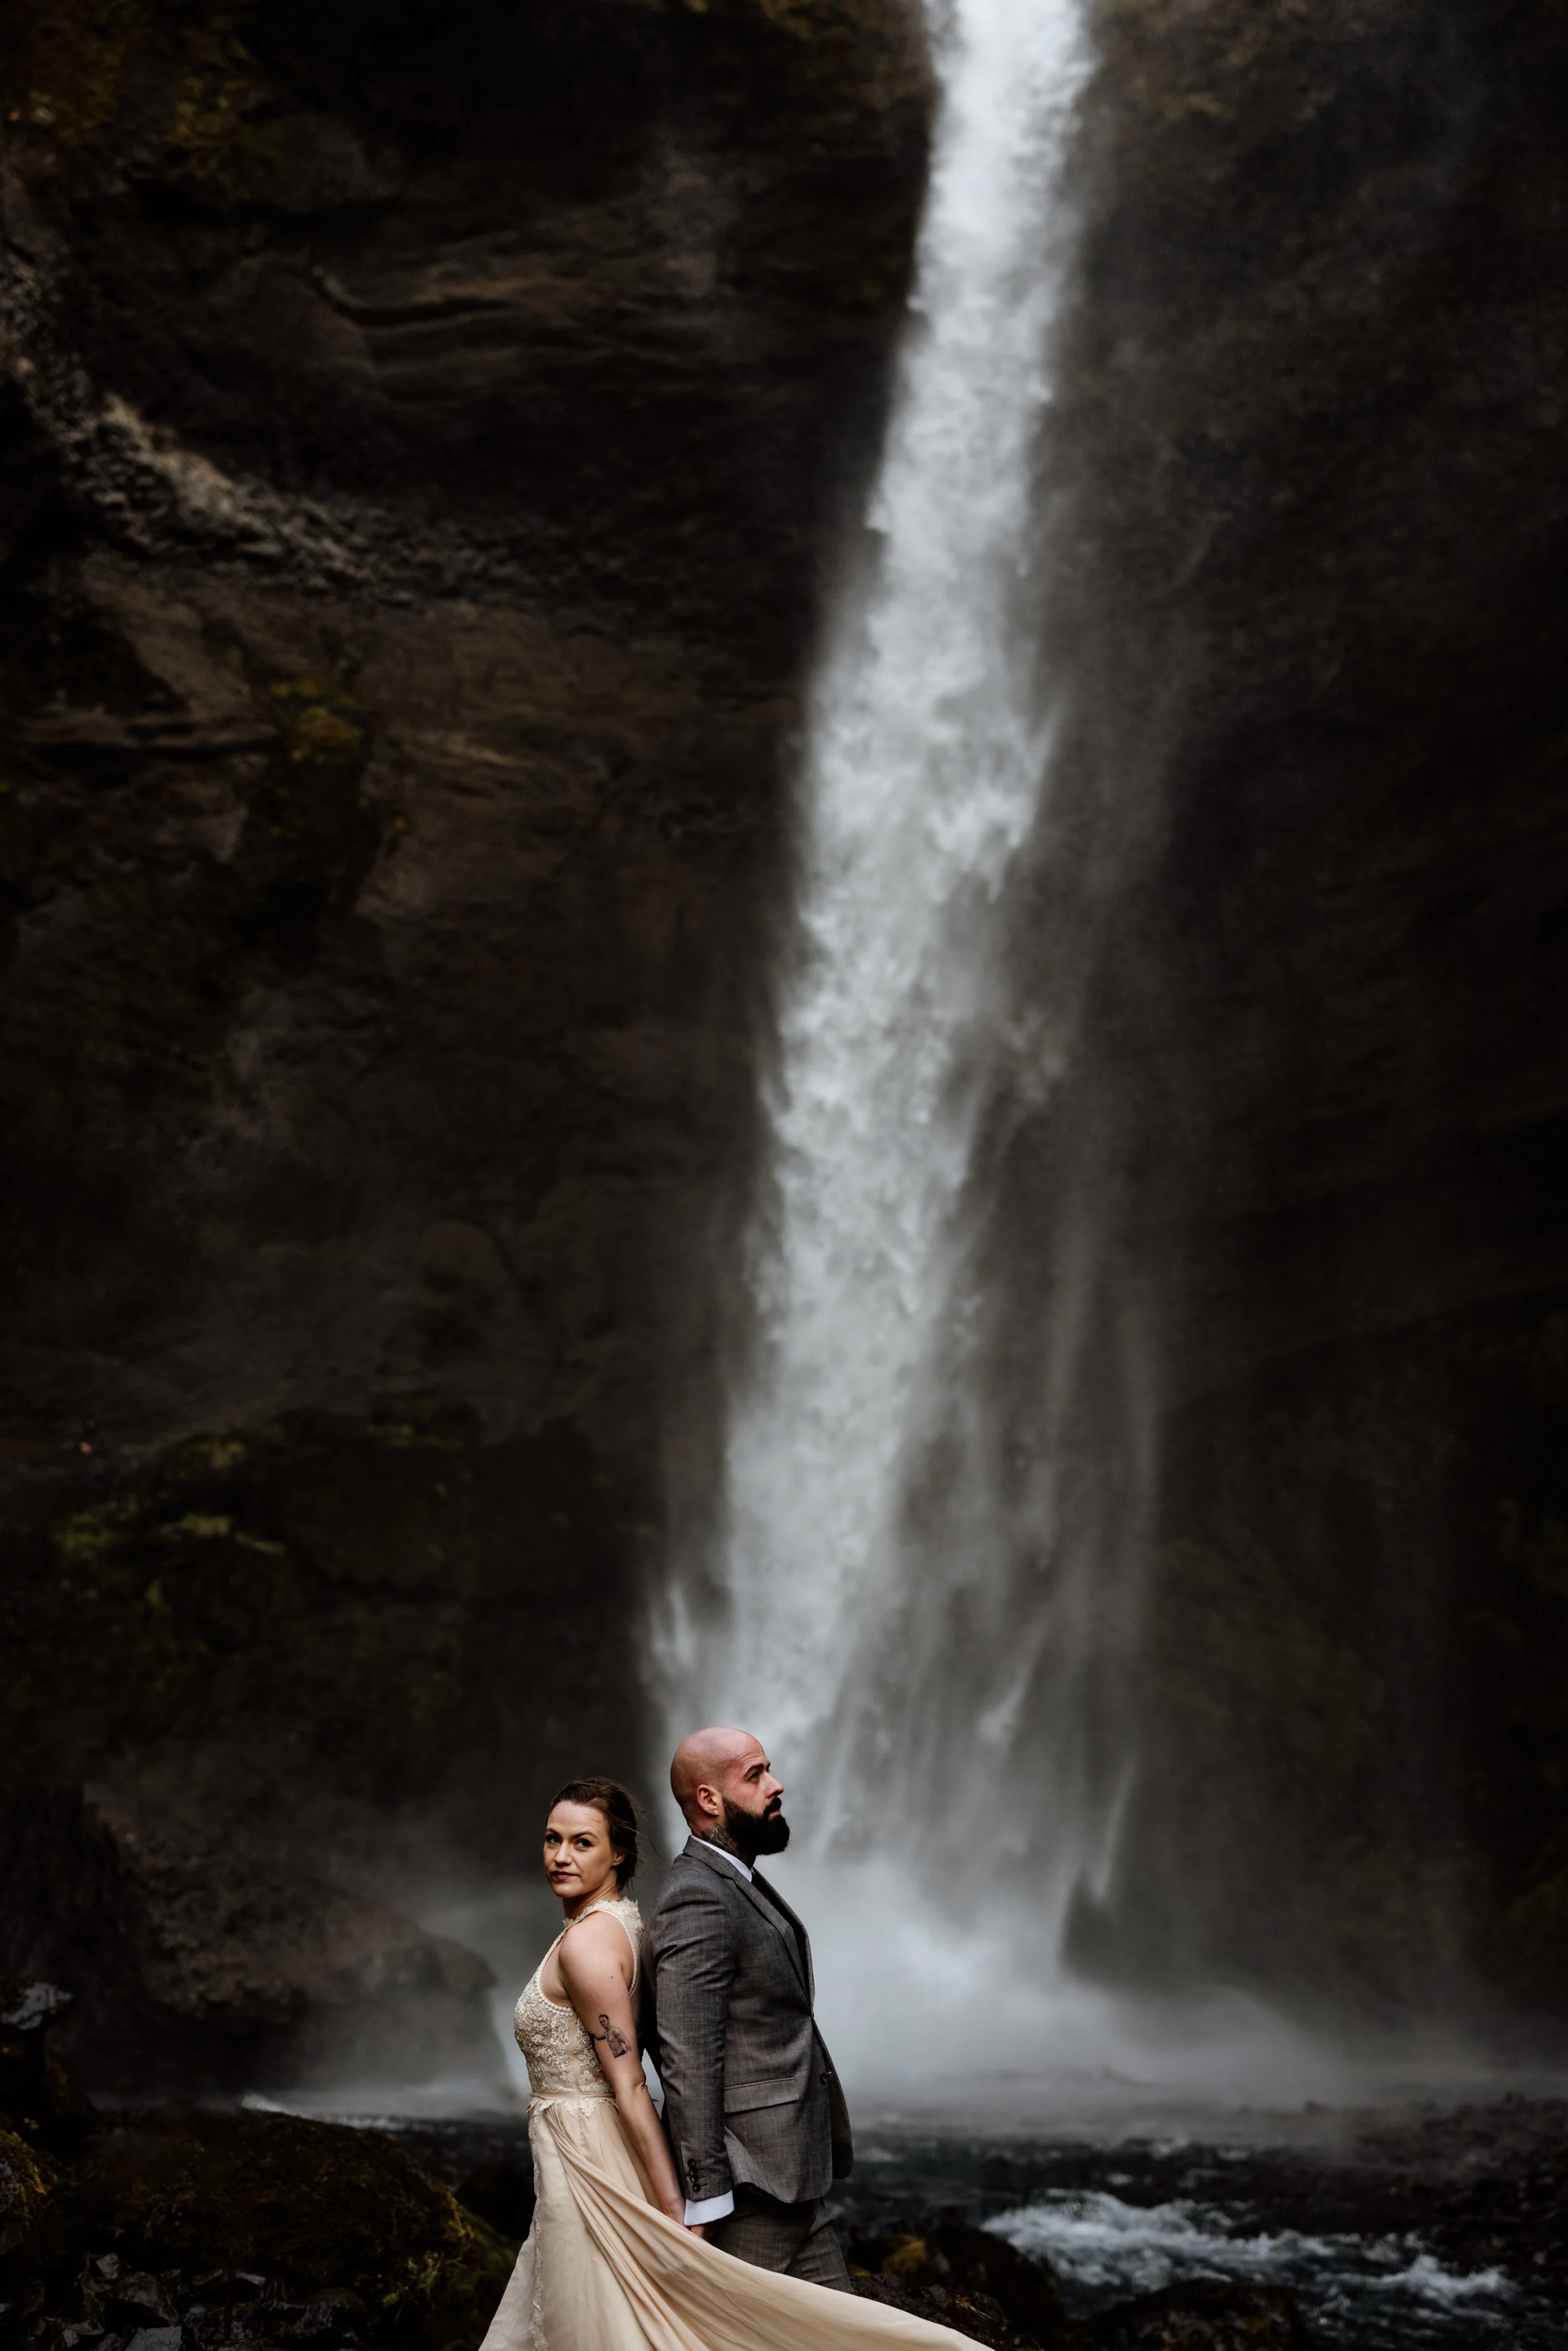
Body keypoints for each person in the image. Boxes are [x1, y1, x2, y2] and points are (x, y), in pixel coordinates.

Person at [480, 1770, 975, 2351]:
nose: (561, 1856)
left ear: (619, 1853)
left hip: (589, 2157)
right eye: (551, 1839)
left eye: (582, 1842)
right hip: (591, 2148)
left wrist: (676, 2213)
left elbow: (635, 2084)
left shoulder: (589, 1946)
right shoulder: (624, 1922)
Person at [641, 1726, 852, 2283]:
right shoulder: (698, 1896)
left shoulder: (738, 1881)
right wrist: (706, 2195)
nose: (776, 1786)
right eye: (756, 1775)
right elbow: (687, 2052)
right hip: (749, 2187)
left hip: (793, 2178)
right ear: (709, 1799)